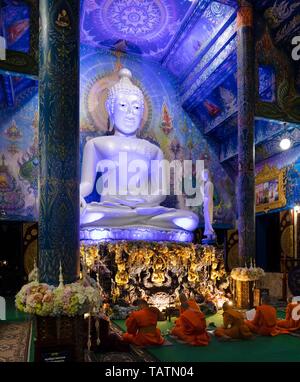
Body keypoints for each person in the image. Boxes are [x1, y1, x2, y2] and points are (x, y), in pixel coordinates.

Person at [80, 68, 199, 232]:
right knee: (86, 214)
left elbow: (160, 192)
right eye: (123, 105)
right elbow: (86, 184)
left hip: (146, 209)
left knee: (189, 219)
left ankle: (134, 219)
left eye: (136, 108)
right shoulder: (96, 144)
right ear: (111, 110)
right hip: (111, 208)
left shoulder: (153, 150)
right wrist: (75, 196)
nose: (130, 113)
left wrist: (144, 202)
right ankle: (133, 220)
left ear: (142, 113)